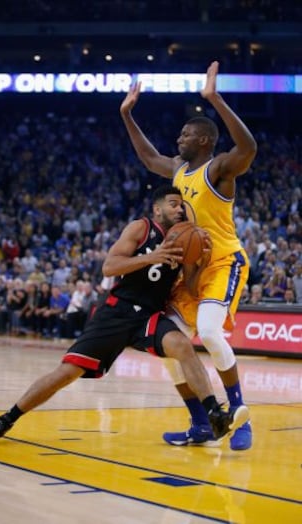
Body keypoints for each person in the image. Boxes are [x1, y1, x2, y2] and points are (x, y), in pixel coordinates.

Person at [0, 186, 248, 446]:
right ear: (157, 209)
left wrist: (200, 262)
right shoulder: (141, 228)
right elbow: (110, 267)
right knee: (67, 373)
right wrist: (152, 257)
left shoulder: (184, 239)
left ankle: (214, 414)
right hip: (117, 311)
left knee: (182, 346)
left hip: (148, 317)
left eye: (181, 206)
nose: (179, 210)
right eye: (173, 205)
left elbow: (190, 286)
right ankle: (6, 420)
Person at [120, 61, 257, 451]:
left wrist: (215, 99)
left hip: (223, 261)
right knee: (169, 345)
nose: (179, 137)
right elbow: (149, 158)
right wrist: (127, 115)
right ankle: (200, 423)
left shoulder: (219, 170)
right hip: (189, 269)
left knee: (211, 333)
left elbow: (248, 148)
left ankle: (240, 413)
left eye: (186, 134)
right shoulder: (178, 170)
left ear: (204, 141)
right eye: (181, 132)